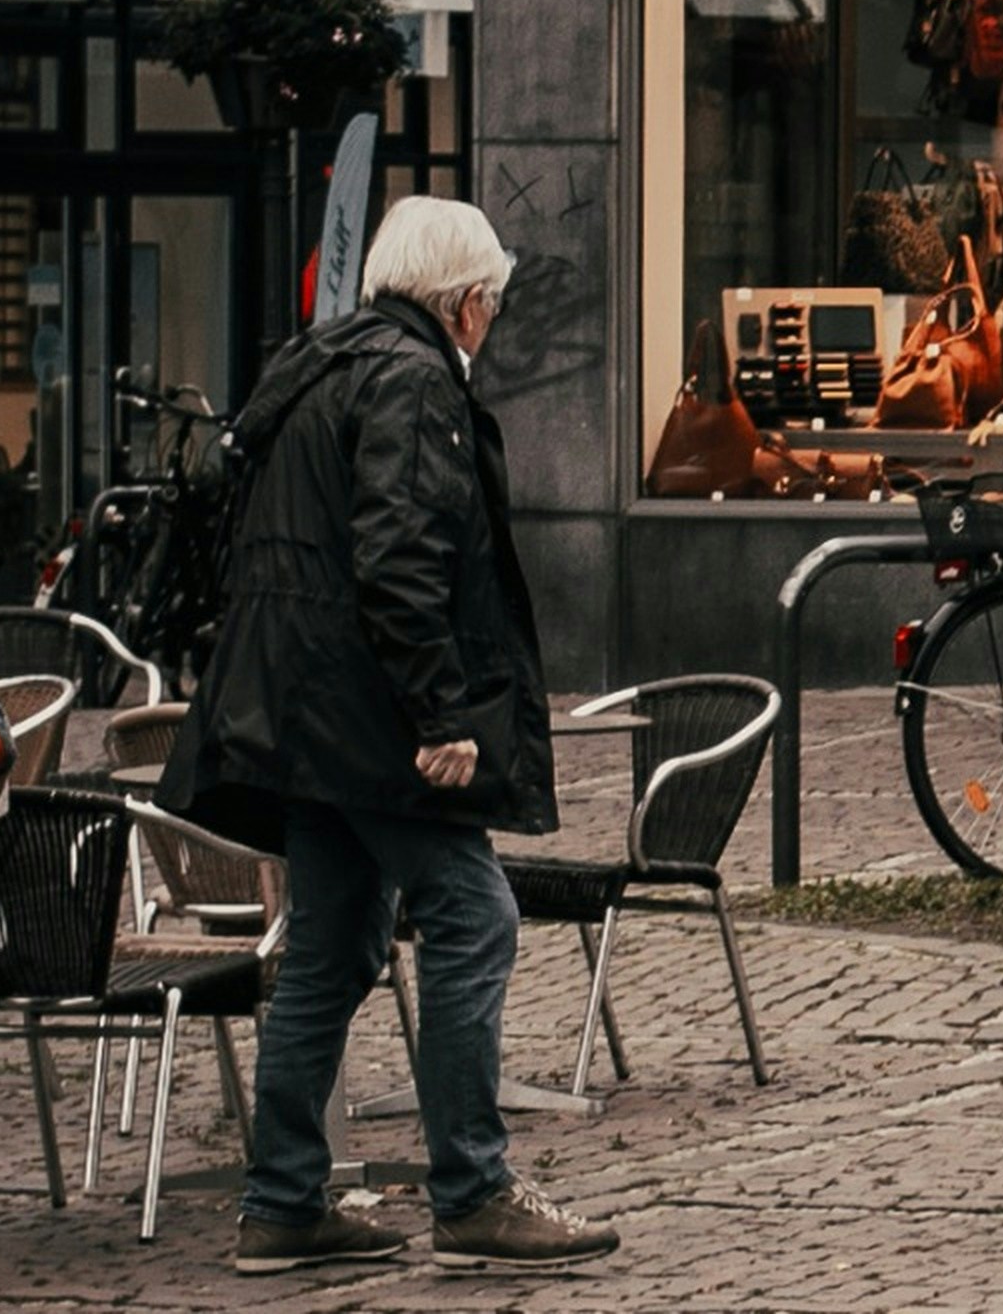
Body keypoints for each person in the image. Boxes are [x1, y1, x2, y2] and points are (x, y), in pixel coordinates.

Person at [161, 196, 622, 1273]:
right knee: (475, 913)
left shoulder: (318, 363)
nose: (491, 326)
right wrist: (442, 715)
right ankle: (470, 1189)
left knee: (332, 944)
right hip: (366, 715)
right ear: (467, 304)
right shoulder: (414, 381)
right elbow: (399, 557)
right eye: (493, 308)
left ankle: (282, 1200)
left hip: (298, 711)